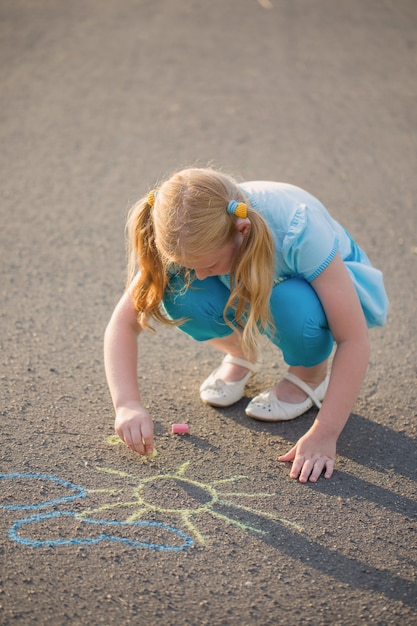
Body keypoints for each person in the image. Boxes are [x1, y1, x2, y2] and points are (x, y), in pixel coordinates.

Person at [104, 167, 388, 483]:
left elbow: (353, 339)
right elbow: (122, 324)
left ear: (242, 230)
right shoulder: (186, 232)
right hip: (250, 277)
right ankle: (241, 352)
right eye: (190, 265)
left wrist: (326, 432)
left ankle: (310, 373)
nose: (199, 273)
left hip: (318, 291)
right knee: (179, 290)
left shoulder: (299, 230)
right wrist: (127, 404)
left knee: (289, 301)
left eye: (208, 264)